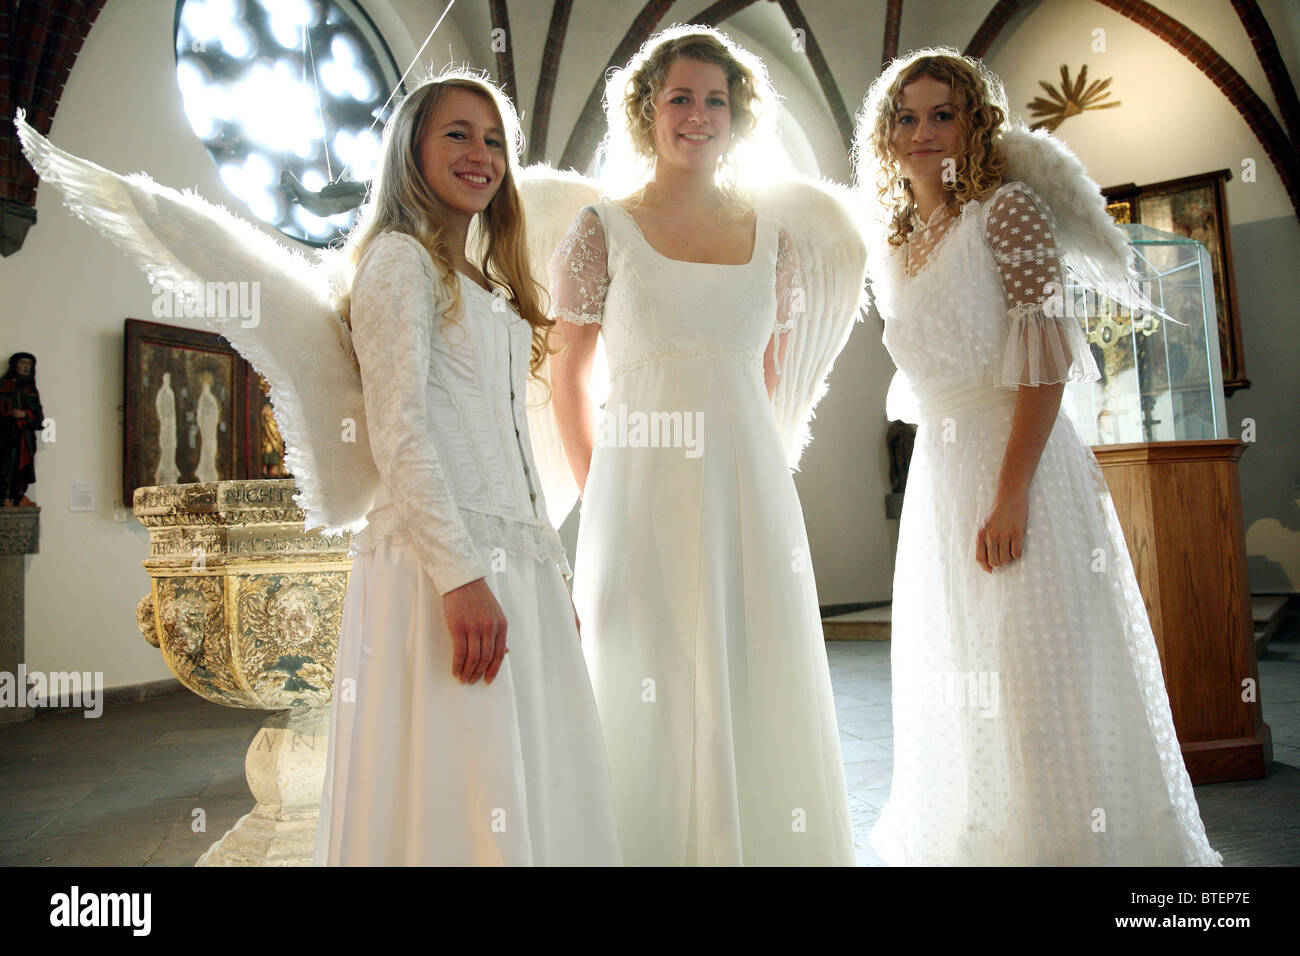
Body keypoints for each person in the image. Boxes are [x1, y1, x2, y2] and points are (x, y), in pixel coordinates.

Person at [854, 48, 1221, 865]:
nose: (922, 132)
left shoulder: (1007, 211)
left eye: (943, 113)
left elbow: (1048, 363)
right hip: (941, 481)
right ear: (885, 134)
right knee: (961, 679)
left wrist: (1011, 492)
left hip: (1018, 468)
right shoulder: (897, 236)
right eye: (905, 116)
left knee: (1033, 683)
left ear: (976, 122)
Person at [547, 26, 855, 866]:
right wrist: (598, 492)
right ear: (647, 111)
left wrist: (759, 483)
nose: (697, 114)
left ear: (737, 114)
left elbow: (765, 383)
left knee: (757, 671)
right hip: (637, 490)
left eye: (714, 99)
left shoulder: (773, 240)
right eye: (679, 97)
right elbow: (565, 378)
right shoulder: (602, 227)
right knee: (646, 671)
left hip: (749, 491)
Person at [313, 72, 620, 865]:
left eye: (493, 140)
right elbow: (399, 429)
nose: (480, 154)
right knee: (464, 778)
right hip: (440, 564)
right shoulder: (396, 262)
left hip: (517, 557)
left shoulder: (489, 285)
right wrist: (458, 576)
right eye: (457, 133)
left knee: (531, 778)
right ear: (412, 148)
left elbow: (517, 449)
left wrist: (552, 572)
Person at [0, 352, 43, 506]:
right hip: (7, 436)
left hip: (25, 438)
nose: (26, 367)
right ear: (14, 365)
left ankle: (19, 496)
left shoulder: (31, 391)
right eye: (22, 362)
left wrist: (25, 414)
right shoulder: (3, 386)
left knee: (23, 468)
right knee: (6, 465)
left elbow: (40, 419)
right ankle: (5, 497)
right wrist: (9, 414)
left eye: (29, 364)